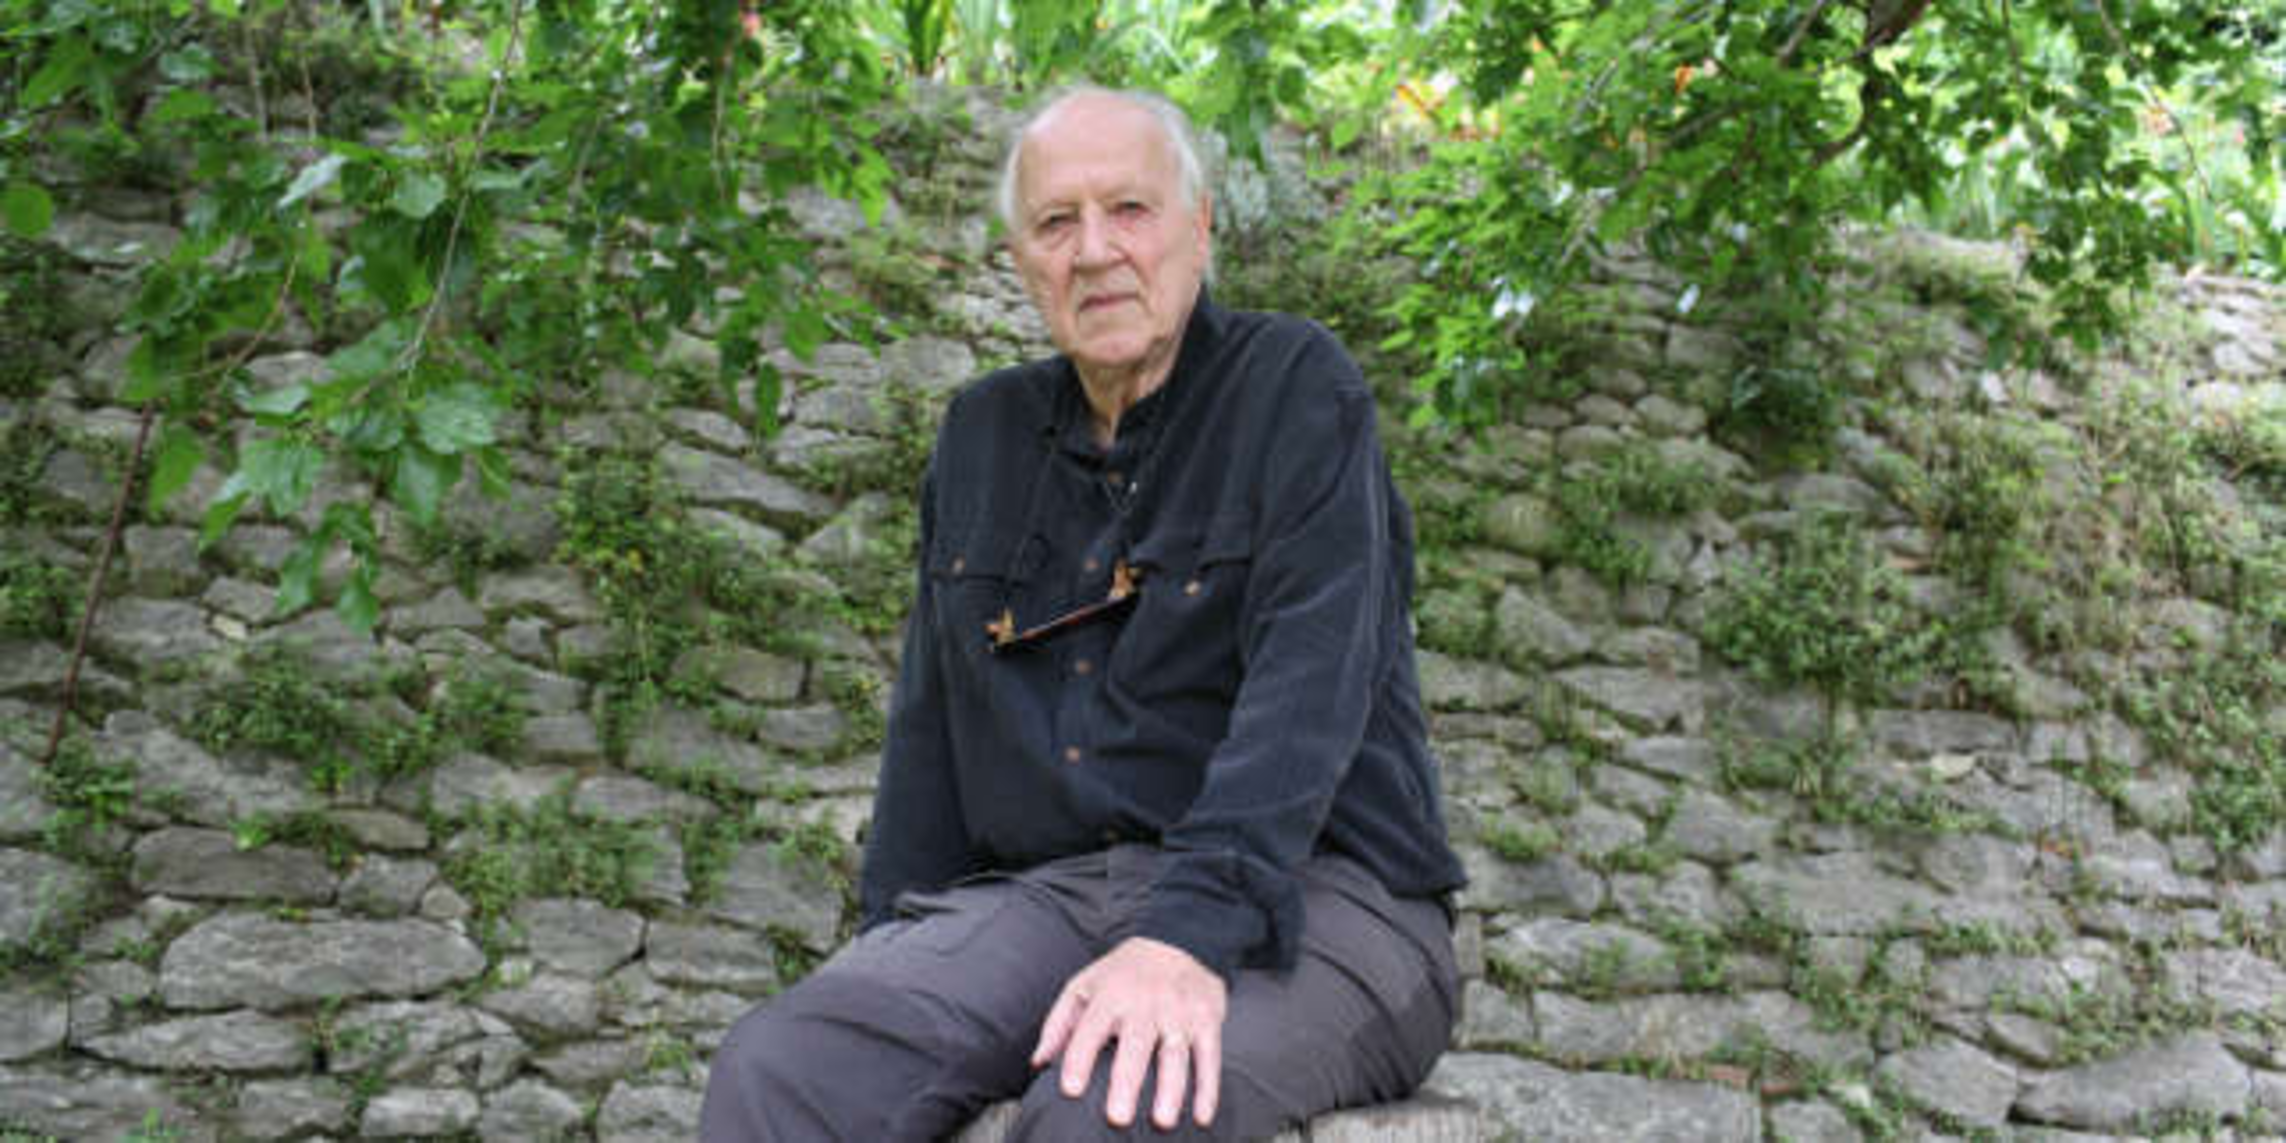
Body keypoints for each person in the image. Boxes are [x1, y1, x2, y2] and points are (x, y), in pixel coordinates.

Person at [700, 85, 1466, 1142]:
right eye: (1057, 222)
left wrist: (1186, 936)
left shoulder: (1297, 386)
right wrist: (889, 948)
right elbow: (929, 730)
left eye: (1130, 210)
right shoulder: (981, 434)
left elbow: (1309, 696)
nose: (1095, 251)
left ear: (1200, 227)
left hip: (1328, 895)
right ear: (1022, 259)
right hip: (1051, 899)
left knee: (1106, 1106)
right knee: (785, 1068)